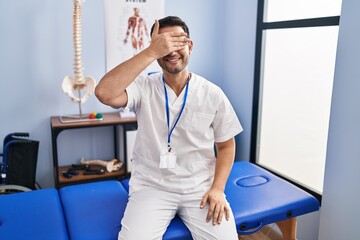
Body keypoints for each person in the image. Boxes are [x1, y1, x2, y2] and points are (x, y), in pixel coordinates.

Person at [95, 16, 243, 240]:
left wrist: (217, 189)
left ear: (190, 46)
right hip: (152, 187)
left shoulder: (212, 93)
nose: (172, 51)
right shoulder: (143, 87)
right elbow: (104, 93)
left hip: (199, 188)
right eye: (164, 44)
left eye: (178, 42)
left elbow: (226, 146)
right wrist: (150, 52)